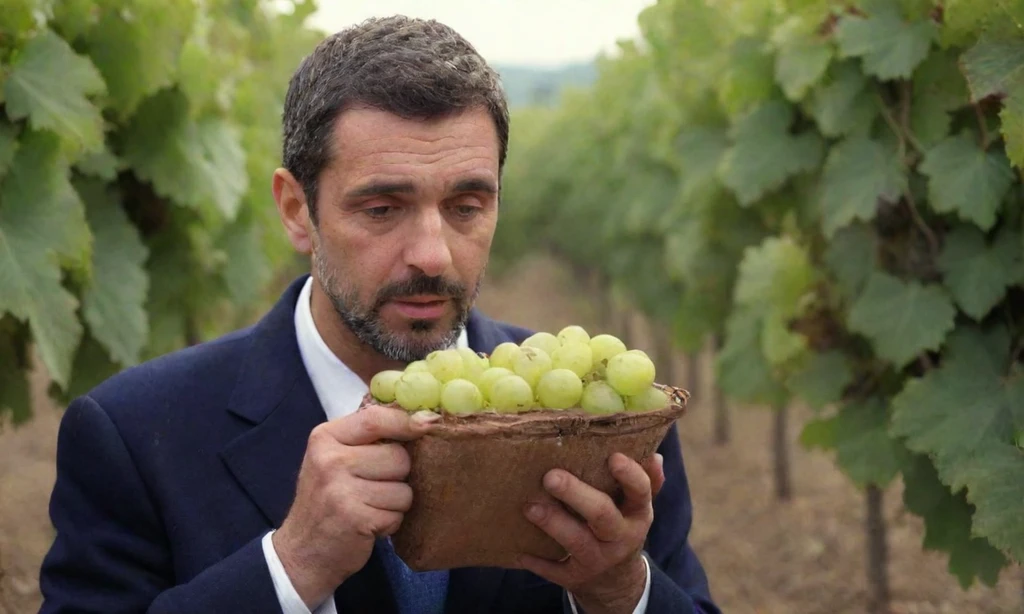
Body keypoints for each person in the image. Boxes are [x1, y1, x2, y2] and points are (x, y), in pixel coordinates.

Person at [37, 15, 719, 614]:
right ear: (296, 210)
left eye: (467, 205)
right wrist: (290, 570)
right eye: (382, 208)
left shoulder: (611, 423)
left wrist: (619, 594)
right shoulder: (130, 436)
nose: (431, 254)